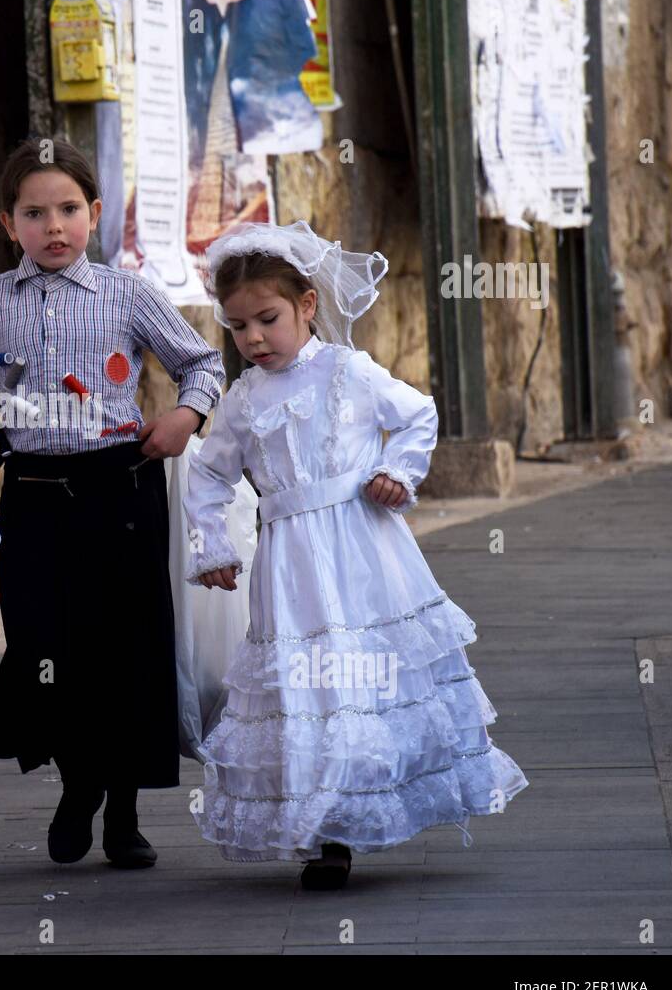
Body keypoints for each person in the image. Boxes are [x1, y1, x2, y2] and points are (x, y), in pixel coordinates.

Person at [182, 221, 528, 890]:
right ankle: (326, 830)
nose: (253, 338)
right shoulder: (243, 399)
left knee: (364, 675)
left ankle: (362, 805)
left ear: (307, 304)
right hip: (290, 569)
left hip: (363, 553)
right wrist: (211, 543)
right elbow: (207, 476)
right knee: (307, 680)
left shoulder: (350, 372)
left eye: (267, 319)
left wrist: (398, 469)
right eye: (236, 327)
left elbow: (418, 414)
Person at [0, 137, 227, 868]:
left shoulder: (127, 294)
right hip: (33, 498)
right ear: (10, 225)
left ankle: (125, 814)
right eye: (34, 213)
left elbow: (202, 362)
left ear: (95, 214)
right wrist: (10, 392)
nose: (54, 226)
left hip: (120, 489)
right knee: (46, 647)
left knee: (124, 646)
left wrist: (184, 417)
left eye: (68, 209)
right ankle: (78, 787)